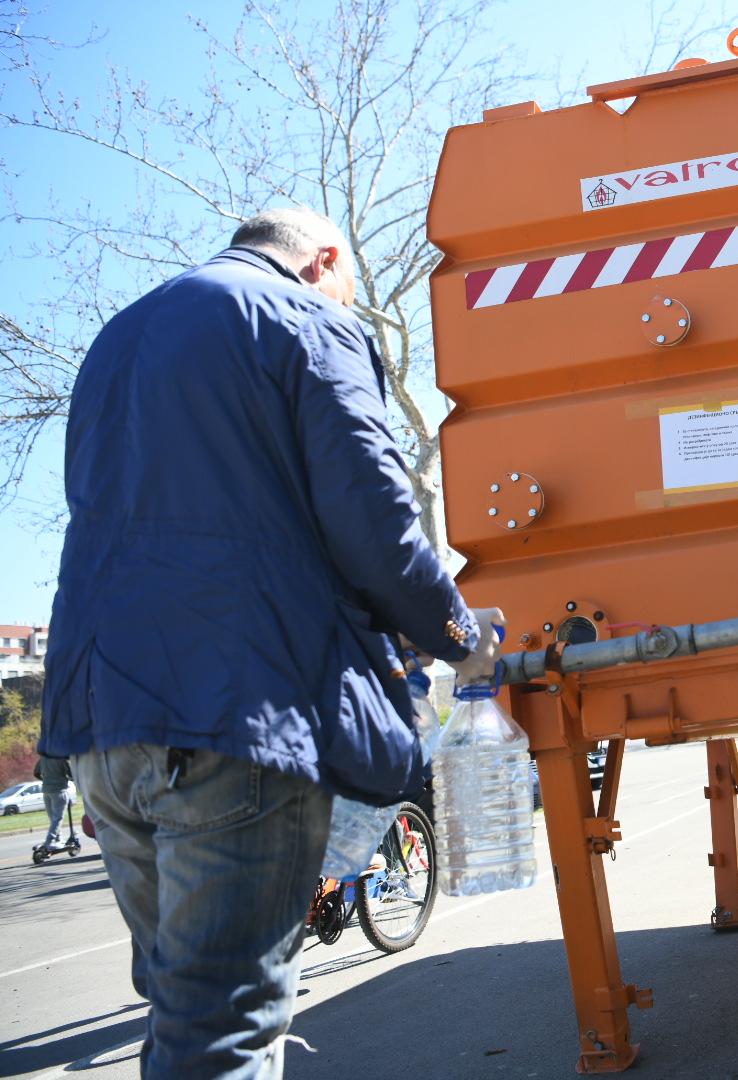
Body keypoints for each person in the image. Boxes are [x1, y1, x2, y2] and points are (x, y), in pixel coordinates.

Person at [39, 207, 502, 1080]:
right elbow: (376, 528)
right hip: (237, 711)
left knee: (183, 1006)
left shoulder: (118, 339)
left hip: (103, 722)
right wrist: (463, 641)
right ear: (325, 260)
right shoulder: (307, 321)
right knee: (225, 1029)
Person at [33, 754, 71, 851]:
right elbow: (71, 773)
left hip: (46, 790)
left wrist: (46, 780)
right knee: (58, 818)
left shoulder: (43, 758)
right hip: (59, 790)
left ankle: (59, 839)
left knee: (52, 818)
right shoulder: (62, 757)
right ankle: (49, 842)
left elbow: (36, 773)